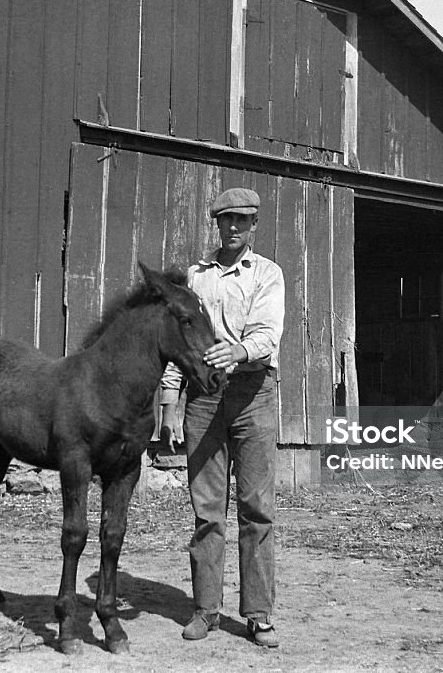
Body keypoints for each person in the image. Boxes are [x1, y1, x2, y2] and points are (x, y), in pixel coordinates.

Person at [160, 187, 285, 648]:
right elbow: (182, 343)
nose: (233, 227)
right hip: (204, 399)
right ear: (216, 224)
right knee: (206, 511)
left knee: (256, 510)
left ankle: (257, 614)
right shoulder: (197, 276)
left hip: (254, 394)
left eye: (242, 220)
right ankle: (205, 610)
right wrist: (170, 403)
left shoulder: (268, 274)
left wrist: (240, 350)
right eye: (226, 219)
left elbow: (268, 332)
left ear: (254, 226)